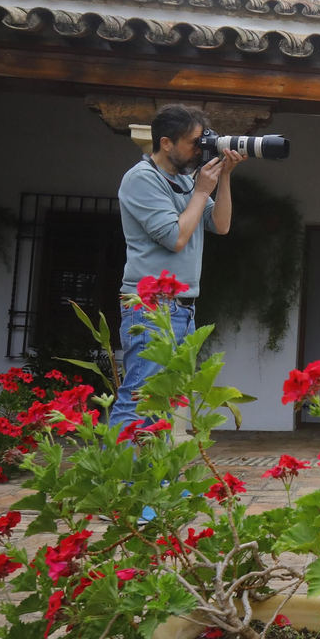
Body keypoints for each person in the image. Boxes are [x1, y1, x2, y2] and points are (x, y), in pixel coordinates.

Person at [112, 104, 242, 426]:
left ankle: (157, 477)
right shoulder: (141, 179)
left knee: (165, 402)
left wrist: (223, 177)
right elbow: (176, 238)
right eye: (193, 142)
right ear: (166, 143)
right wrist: (200, 191)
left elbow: (221, 224)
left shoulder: (184, 180)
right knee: (139, 397)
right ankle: (119, 477)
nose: (200, 150)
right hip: (150, 308)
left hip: (182, 308)